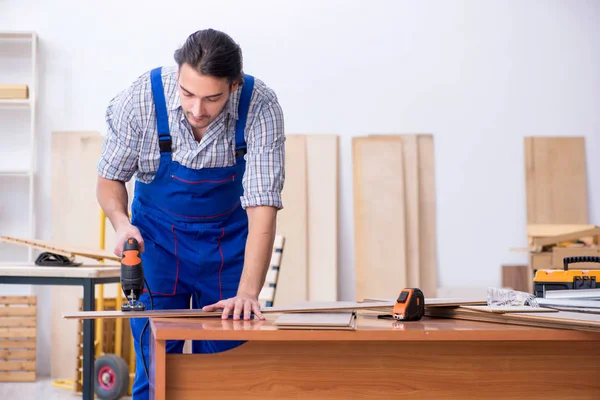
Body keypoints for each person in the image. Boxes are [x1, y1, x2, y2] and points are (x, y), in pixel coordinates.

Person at [96, 28, 285, 399]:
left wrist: (248, 292)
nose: (197, 110)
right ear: (178, 75)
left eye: (212, 98)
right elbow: (109, 180)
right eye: (188, 94)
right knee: (156, 368)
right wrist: (121, 225)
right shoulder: (142, 99)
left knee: (224, 373)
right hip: (157, 245)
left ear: (233, 87)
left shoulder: (259, 105)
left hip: (226, 247)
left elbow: (263, 205)